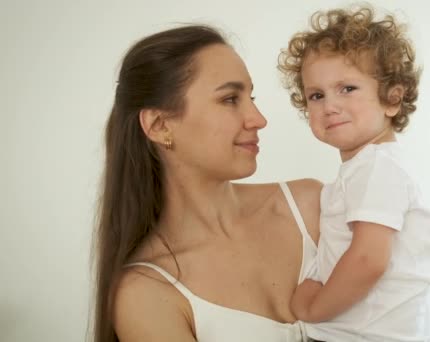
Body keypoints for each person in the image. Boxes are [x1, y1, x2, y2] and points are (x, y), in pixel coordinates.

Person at [92, 25, 322, 342]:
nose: (258, 118)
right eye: (230, 99)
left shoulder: (311, 206)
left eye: (250, 97)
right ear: (159, 126)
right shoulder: (146, 294)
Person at [278, 6, 430, 342]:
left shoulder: (377, 167)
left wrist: (314, 307)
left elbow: (369, 258)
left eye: (347, 89)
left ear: (392, 99)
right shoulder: (364, 170)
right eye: (316, 95)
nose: (329, 105)